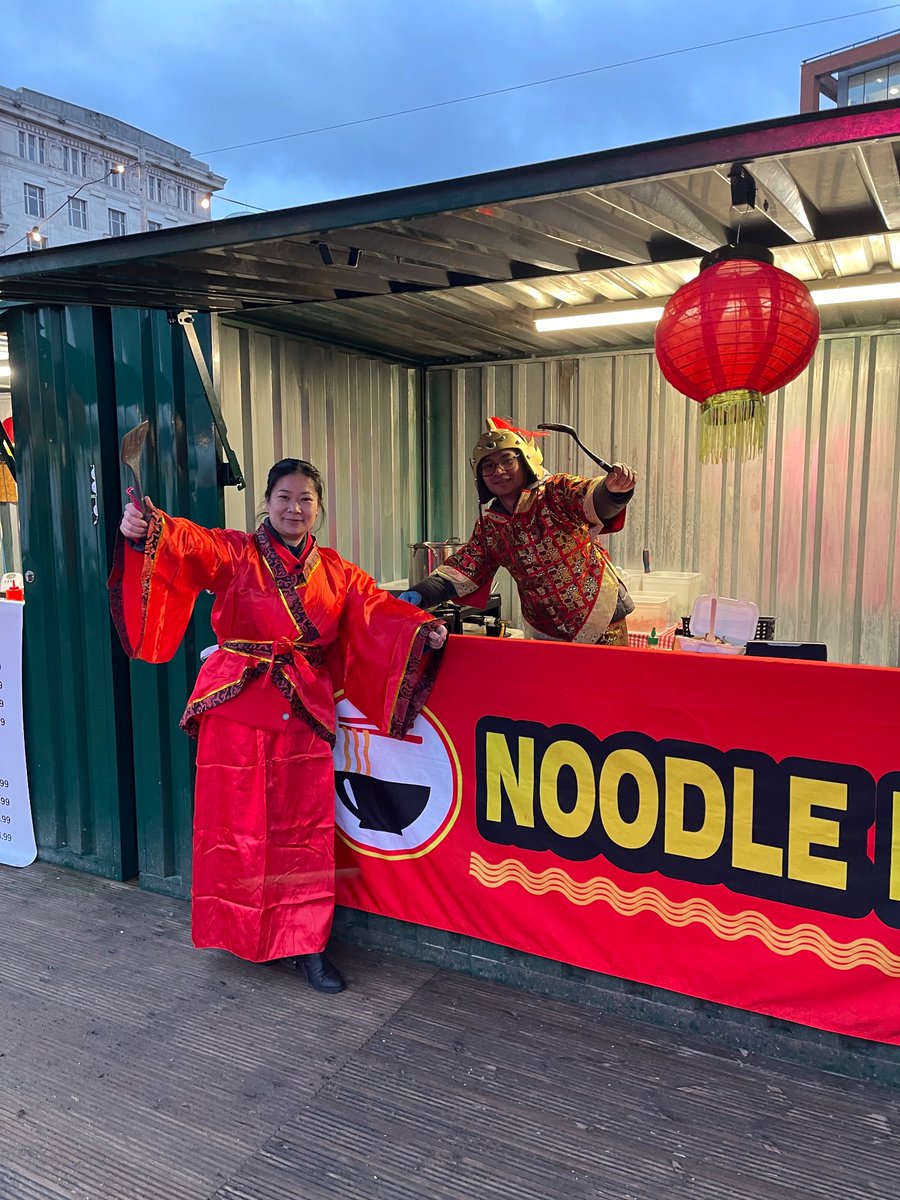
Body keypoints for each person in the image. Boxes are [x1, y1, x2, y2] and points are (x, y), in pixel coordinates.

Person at [109, 458, 447, 994]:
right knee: (235, 825)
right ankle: (244, 932)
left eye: (305, 499)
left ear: (318, 508)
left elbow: (374, 608)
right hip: (237, 705)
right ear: (266, 502)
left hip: (303, 709)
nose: (294, 508)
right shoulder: (236, 552)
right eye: (284, 497)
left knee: (303, 831)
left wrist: (420, 627)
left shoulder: (335, 570)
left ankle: (307, 943)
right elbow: (192, 545)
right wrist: (149, 530)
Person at [401, 417, 636, 645]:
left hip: (600, 616)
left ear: (524, 461)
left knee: (607, 674)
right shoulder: (490, 528)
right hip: (545, 632)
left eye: (507, 460)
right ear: (480, 476)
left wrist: (613, 491)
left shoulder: (554, 492)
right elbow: (462, 570)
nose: (498, 471)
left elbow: (590, 497)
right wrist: (419, 594)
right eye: (488, 466)